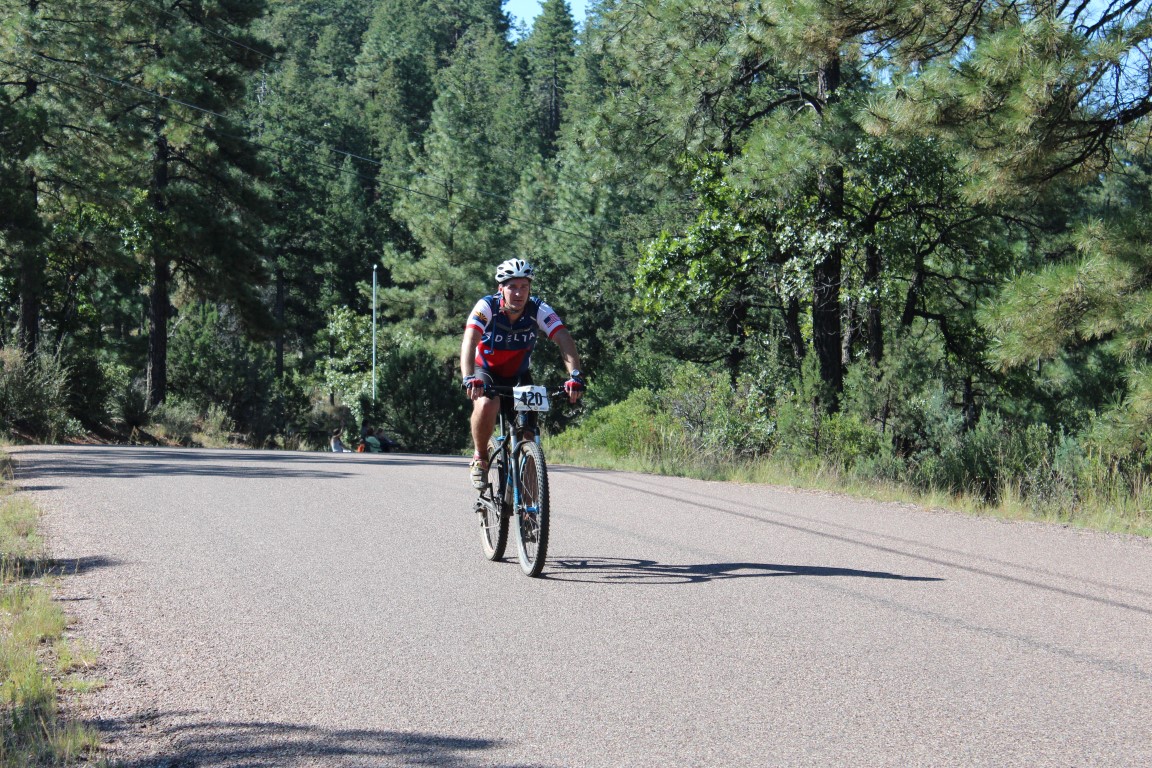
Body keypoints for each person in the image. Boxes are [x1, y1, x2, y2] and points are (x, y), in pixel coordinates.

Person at [460, 258, 584, 489]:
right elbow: (470, 339)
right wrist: (469, 377)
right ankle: (480, 457)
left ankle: (530, 500)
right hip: (486, 371)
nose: (518, 293)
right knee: (486, 404)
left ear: (529, 288)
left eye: (524, 287)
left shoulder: (538, 309)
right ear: (501, 289)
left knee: (528, 434)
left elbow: (563, 338)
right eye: (512, 287)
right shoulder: (486, 307)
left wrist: (575, 376)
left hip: (518, 374)